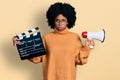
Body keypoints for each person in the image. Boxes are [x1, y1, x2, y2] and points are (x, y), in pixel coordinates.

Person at [12, 2, 95, 80]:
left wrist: (87, 48)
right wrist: (21, 44)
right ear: (53, 20)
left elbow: (79, 60)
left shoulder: (74, 38)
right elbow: (37, 58)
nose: (60, 23)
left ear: (68, 21)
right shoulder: (46, 38)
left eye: (63, 20)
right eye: (57, 20)